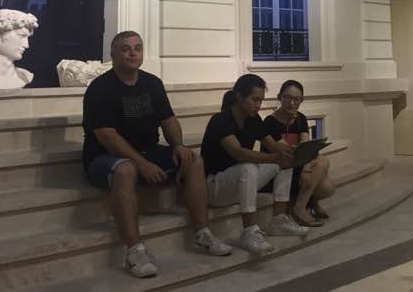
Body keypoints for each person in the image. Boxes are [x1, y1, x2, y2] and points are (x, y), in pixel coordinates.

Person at [82, 31, 231, 279]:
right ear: (113, 54)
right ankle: (135, 251)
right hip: (104, 157)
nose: (132, 53)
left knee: (194, 160)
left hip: (148, 151)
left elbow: (168, 120)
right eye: (125, 49)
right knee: (126, 169)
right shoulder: (100, 88)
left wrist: (179, 145)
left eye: (137, 48)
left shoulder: (152, 83)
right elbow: (107, 135)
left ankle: (203, 233)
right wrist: (141, 163)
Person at [200, 74, 310, 256]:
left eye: (261, 100)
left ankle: (278, 220)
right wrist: (274, 157)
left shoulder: (253, 119)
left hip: (241, 183)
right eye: (255, 99)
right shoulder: (220, 120)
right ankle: (249, 231)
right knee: (249, 166)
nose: (259, 105)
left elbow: (273, 145)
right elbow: (239, 153)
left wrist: (292, 152)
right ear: (239, 97)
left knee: (284, 162)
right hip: (215, 187)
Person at [263, 80, 336, 226]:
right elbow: (287, 152)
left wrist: (306, 168)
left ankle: (305, 203)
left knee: (326, 181)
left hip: (297, 167)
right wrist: (305, 166)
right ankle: (301, 208)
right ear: (279, 97)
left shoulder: (300, 118)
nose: (292, 103)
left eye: (297, 99)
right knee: (321, 168)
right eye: (287, 98)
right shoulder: (269, 122)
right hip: (280, 171)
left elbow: (305, 146)